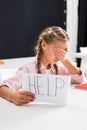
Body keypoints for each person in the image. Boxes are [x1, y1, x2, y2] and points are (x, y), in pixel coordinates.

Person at [0, 26, 84, 106]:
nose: (60, 56)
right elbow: (2, 88)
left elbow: (79, 79)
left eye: (63, 52)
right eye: (57, 51)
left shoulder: (59, 67)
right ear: (44, 45)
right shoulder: (28, 69)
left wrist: (65, 60)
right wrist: (13, 97)